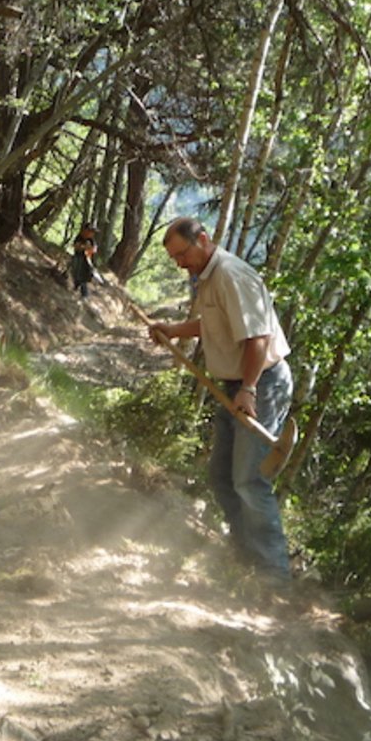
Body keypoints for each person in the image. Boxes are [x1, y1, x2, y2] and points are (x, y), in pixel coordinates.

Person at [148, 216, 294, 584]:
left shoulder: (231, 275)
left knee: (249, 479)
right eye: (174, 259)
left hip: (263, 383)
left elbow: (257, 338)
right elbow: (213, 325)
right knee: (221, 477)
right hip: (234, 384)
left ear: (203, 239)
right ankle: (245, 556)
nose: (180, 263)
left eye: (183, 254)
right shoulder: (206, 278)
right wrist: (173, 330)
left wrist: (248, 388)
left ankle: (274, 576)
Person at [69, 226, 99, 299]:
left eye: (93, 233)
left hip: (87, 260)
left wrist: (90, 249)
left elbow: (94, 249)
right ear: (86, 231)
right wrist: (83, 247)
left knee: (83, 277)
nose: (92, 234)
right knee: (77, 274)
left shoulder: (91, 240)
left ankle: (84, 294)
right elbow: (76, 246)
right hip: (78, 258)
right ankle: (76, 287)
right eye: (91, 232)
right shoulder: (79, 237)